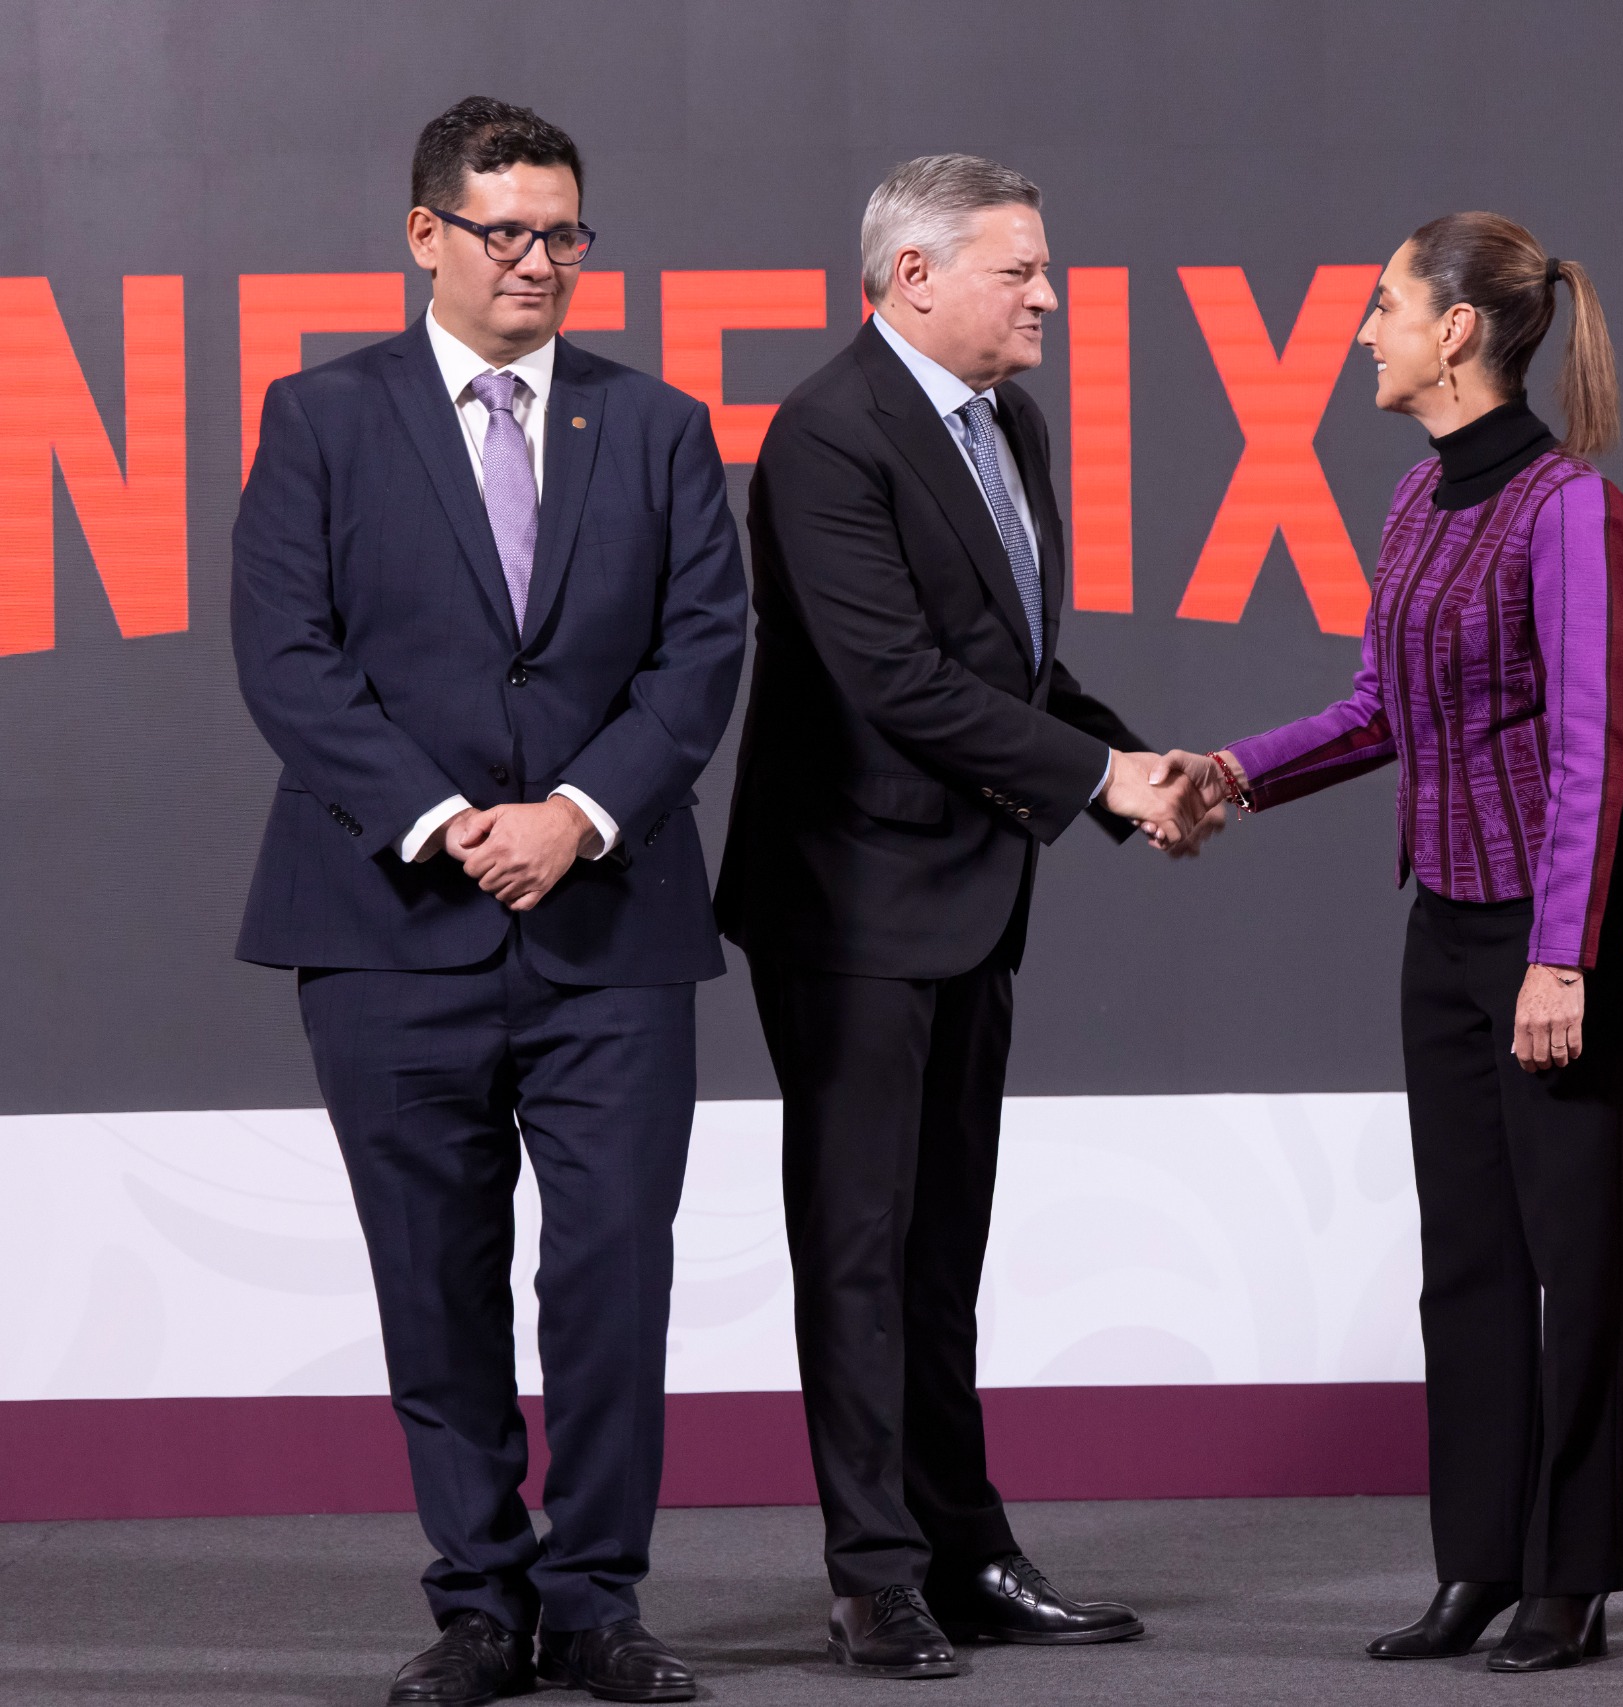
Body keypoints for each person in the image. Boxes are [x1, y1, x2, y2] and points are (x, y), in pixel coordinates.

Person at [231, 98, 746, 1707]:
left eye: (563, 234)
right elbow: (286, 657)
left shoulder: (656, 425)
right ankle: (478, 1604)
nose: (539, 261)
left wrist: (576, 817)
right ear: (426, 236)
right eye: (506, 230)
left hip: (611, 930)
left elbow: (703, 652)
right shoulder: (320, 417)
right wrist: (450, 822)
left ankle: (597, 1605)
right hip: (387, 928)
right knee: (431, 1279)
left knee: (614, 1282)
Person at [715, 154, 1207, 1681]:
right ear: (914, 276)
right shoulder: (825, 434)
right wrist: (1103, 781)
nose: (1049, 296)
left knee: (942, 1252)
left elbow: (1012, 672)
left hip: (975, 893)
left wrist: (1138, 769)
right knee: (860, 1250)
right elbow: (895, 684)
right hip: (851, 905)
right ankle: (873, 1577)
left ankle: (964, 1550)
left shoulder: (1011, 424)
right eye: (1021, 268)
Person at [1162, 213, 1623, 1675]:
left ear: (1457, 331)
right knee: (1470, 1262)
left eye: (1383, 306)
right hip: (1442, 930)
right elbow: (1380, 706)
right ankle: (1477, 1566)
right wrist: (1232, 773)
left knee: (1578, 1265)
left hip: (1548, 946)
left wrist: (1561, 957)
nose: (1363, 331)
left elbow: (1597, 747)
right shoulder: (1417, 497)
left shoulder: (1572, 508)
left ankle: (1571, 1578)